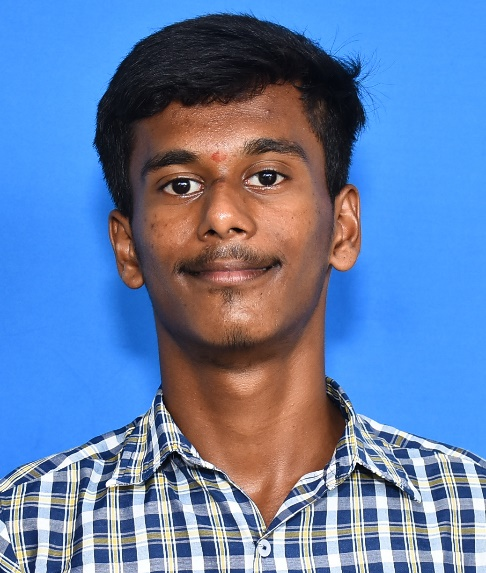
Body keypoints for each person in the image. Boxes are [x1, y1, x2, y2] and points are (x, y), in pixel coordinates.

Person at [1, 12, 485, 573]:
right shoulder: (27, 534)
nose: (222, 215)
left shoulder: (470, 520)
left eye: (267, 176)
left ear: (343, 228)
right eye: (180, 184)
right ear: (127, 246)